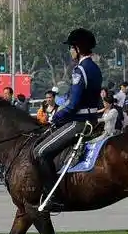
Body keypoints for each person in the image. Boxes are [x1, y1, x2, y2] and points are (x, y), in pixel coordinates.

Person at [33, 28, 102, 201]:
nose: (70, 51)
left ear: (78, 48)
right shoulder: (95, 68)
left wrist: (55, 117)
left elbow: (73, 104)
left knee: (40, 152)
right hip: (92, 119)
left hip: (79, 122)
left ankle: (52, 196)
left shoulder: (80, 70)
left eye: (71, 47)